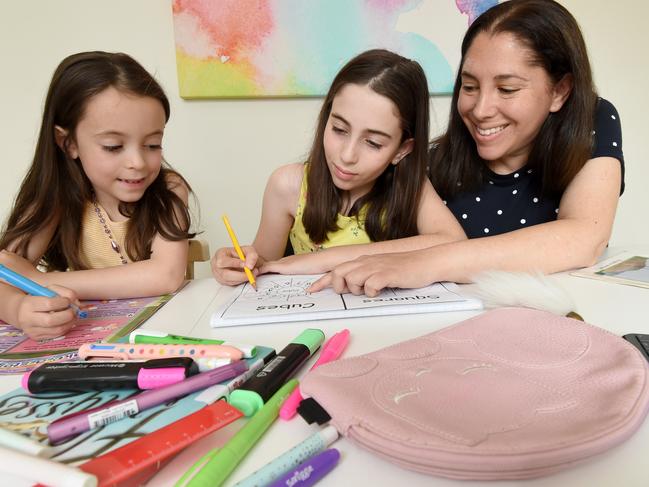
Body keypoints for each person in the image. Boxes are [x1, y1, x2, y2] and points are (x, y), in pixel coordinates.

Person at [309, 0, 624, 297]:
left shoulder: (594, 120)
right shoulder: (428, 165)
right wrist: (270, 258)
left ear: (559, 90)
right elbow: (331, 216)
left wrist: (426, 263)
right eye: (469, 86)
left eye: (507, 89)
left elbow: (584, 237)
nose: (481, 109)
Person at [211, 49, 466, 286]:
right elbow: (265, 267)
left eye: (373, 143)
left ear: (402, 150)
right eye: (339, 129)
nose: (347, 155)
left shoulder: (414, 189)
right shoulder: (288, 185)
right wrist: (237, 266)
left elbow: (454, 244)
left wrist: (321, 260)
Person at [0, 51, 194, 339]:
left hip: (167, 334)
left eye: (153, 144)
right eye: (114, 146)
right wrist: (17, 308)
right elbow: (6, 273)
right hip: (89, 343)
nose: (138, 162)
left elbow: (165, 275)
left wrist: (41, 279)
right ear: (68, 144)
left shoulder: (168, 188)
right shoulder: (57, 197)